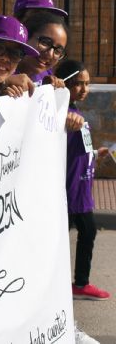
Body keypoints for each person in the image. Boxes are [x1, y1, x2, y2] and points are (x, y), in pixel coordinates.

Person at [55, 59, 111, 302]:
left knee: (83, 234)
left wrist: (96, 153)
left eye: (87, 84)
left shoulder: (76, 113)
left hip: (83, 188)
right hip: (70, 190)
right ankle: (76, 283)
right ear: (65, 84)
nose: (84, 89)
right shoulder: (62, 116)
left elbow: (80, 149)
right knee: (76, 235)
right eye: (78, 84)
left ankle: (77, 283)